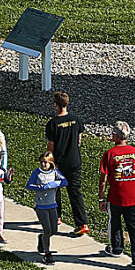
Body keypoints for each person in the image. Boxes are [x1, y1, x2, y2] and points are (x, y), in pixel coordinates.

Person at [98, 121, 135, 267]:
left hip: (115, 198)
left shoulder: (109, 154)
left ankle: (116, 248)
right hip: (134, 198)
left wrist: (101, 198)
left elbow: (103, 179)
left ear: (116, 136)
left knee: (115, 223)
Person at [45, 92, 88, 236]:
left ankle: (56, 216)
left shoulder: (52, 124)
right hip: (75, 161)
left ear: (56, 105)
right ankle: (82, 223)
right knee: (75, 192)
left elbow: (51, 146)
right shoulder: (76, 120)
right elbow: (79, 141)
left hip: (59, 163)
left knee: (55, 189)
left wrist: (50, 162)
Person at [25, 152, 68, 263]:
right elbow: (29, 185)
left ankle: (42, 238)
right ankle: (47, 253)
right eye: (42, 162)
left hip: (52, 205)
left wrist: (55, 184)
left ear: (51, 163)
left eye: (46, 162)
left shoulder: (55, 172)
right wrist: (40, 188)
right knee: (47, 229)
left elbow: (65, 181)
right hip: (41, 206)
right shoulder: (37, 173)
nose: (44, 164)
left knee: (54, 230)